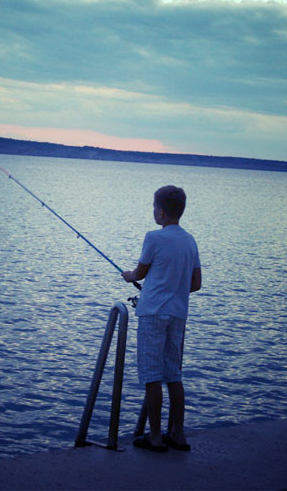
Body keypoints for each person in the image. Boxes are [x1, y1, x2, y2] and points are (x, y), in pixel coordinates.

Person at [122, 185, 201, 452]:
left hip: (153, 313)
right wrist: (173, 288)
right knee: (173, 375)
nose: (153, 211)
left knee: (152, 376)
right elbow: (196, 283)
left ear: (162, 212)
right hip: (178, 314)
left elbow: (140, 273)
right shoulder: (190, 241)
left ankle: (154, 436)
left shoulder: (154, 237)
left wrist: (128, 275)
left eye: (154, 207)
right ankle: (177, 434)